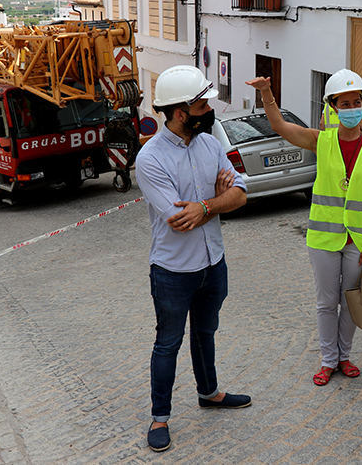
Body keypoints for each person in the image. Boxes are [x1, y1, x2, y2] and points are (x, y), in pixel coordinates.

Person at [246, 69, 362, 386]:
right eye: (344, 103)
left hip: (359, 241)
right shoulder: (320, 140)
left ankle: (344, 357)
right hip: (324, 238)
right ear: (333, 108)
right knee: (327, 303)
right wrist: (267, 94)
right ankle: (328, 361)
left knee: (352, 301)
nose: (351, 108)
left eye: (356, 102)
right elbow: (279, 125)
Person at [136, 65, 251, 453]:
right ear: (181, 112)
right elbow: (180, 220)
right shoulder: (150, 159)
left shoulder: (211, 144)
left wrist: (206, 205)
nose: (209, 110)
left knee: (206, 333)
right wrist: (217, 202)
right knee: (168, 342)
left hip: (212, 262)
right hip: (172, 270)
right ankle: (160, 417)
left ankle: (210, 393)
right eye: (202, 104)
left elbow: (241, 194)